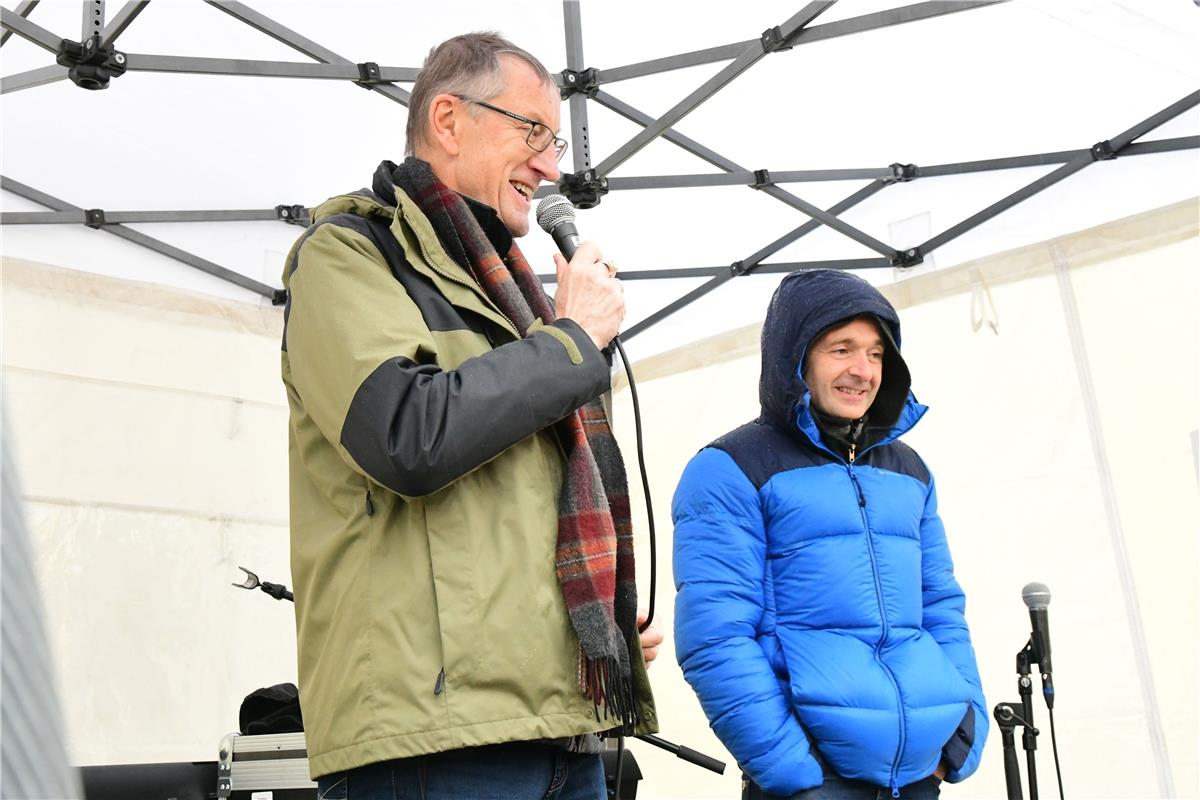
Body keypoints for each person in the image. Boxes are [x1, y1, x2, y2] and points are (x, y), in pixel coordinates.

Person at [281, 32, 659, 800]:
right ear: (448, 120)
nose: (552, 166)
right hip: (435, 741)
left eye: (554, 142)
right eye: (532, 133)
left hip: (561, 724)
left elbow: (512, 515)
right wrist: (573, 340)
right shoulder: (347, 256)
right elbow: (408, 437)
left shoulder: (515, 298)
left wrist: (591, 629)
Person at [672, 269, 987, 799]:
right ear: (795, 361)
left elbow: (942, 611)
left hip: (918, 778)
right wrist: (796, 774)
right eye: (841, 350)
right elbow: (716, 638)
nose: (862, 371)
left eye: (876, 354)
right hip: (814, 782)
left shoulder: (909, 472)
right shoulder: (730, 468)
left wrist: (961, 737)